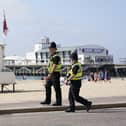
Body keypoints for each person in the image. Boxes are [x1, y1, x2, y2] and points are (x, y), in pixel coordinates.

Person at [40, 42, 62, 106]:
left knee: (56, 88)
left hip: (55, 74)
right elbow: (50, 66)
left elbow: (54, 66)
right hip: (51, 74)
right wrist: (48, 74)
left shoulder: (56, 56)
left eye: (51, 49)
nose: (50, 50)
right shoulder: (52, 56)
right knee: (47, 86)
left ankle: (58, 102)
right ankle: (47, 100)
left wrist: (50, 74)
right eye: (49, 49)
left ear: (54, 49)